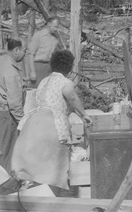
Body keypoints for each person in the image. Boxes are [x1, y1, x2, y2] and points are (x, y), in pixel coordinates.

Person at [10, 49, 90, 192]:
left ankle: (31, 185)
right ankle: (54, 188)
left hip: (34, 121)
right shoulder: (65, 82)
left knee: (37, 158)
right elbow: (72, 97)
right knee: (54, 158)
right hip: (51, 123)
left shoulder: (45, 81)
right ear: (69, 67)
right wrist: (84, 114)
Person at [0, 38, 27, 166]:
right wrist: (23, 122)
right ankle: (8, 182)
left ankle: (8, 179)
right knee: (9, 152)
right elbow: (14, 103)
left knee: (3, 148)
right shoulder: (12, 72)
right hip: (8, 115)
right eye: (24, 51)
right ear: (16, 50)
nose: (25, 54)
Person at [27, 16, 62, 84]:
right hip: (38, 66)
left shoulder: (55, 38)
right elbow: (31, 54)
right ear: (49, 24)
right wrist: (32, 71)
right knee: (36, 90)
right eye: (54, 26)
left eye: (57, 27)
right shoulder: (38, 35)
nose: (55, 29)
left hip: (50, 67)